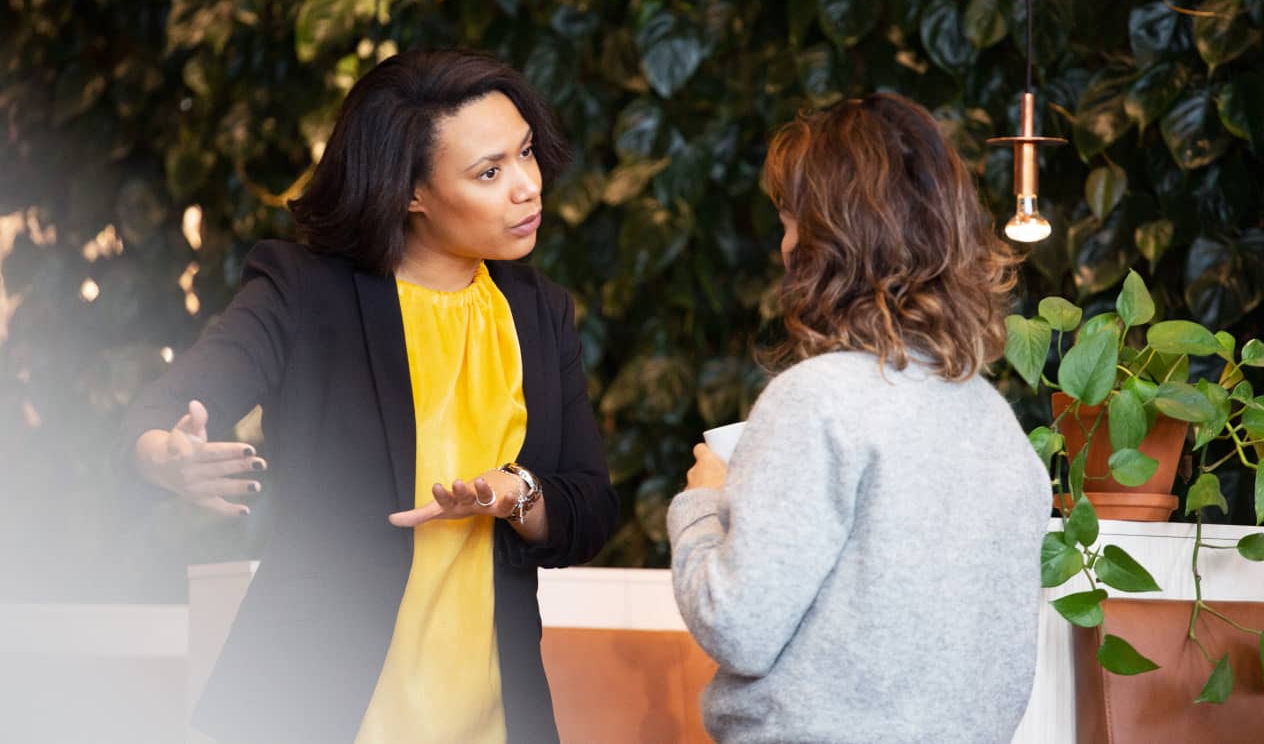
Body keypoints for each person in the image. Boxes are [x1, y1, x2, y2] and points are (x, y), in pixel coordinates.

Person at [123, 50, 618, 744]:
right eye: (489, 172)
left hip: (493, 718)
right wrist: (166, 457)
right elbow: (161, 412)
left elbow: (590, 507)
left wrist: (520, 495)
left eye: (526, 154)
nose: (528, 187)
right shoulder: (303, 292)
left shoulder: (538, 312)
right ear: (410, 191)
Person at [668, 94, 1050, 743]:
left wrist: (701, 507)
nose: (784, 245)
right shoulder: (994, 421)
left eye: (791, 222)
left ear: (827, 241)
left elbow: (738, 627)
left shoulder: (816, 400)